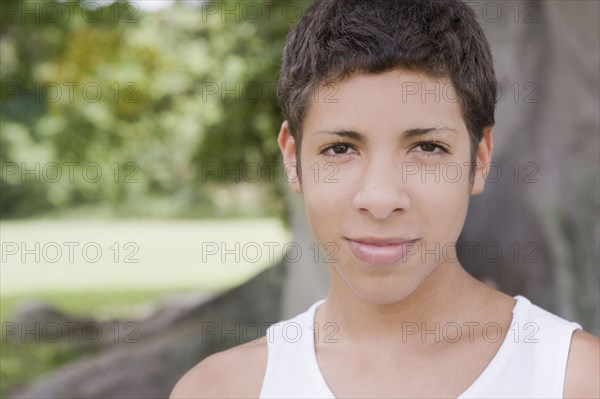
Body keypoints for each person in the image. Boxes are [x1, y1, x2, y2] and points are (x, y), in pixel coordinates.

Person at [171, 0, 600, 397]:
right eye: (340, 148)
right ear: (292, 158)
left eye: (427, 147)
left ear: (480, 158)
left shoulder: (575, 379)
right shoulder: (222, 389)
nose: (380, 198)